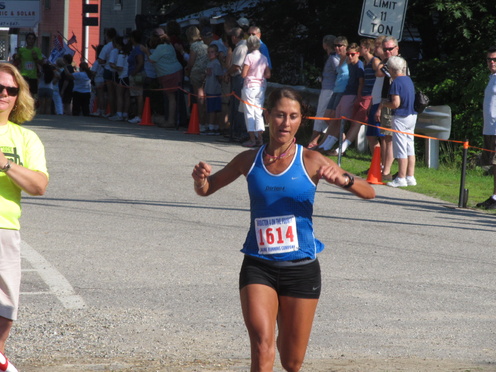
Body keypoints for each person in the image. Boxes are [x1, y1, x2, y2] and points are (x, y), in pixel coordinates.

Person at [191, 87, 375, 372]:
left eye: (292, 116)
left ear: (301, 120)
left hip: (301, 269)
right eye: (279, 115)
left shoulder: (311, 160)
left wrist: (345, 179)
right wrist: (200, 180)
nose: (285, 123)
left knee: (291, 361)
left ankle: (286, 347)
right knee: (262, 346)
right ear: (267, 116)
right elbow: (207, 189)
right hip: (258, 265)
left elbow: (369, 192)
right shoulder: (248, 160)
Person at [0, 62, 49, 372]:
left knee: (6, 307)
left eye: (11, 90)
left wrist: (5, 165)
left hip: (5, 230)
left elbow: (39, 185)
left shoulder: (26, 138)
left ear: (18, 97)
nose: (3, 94)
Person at [376, 56, 417, 187]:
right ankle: (410, 176)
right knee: (410, 146)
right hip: (412, 116)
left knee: (400, 147)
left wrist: (383, 104)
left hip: (401, 117)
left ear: (393, 70)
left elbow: (395, 103)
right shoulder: (408, 80)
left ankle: (401, 178)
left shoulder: (396, 83)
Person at [314, 36, 349, 152]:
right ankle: (333, 141)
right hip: (334, 90)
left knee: (328, 116)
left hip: (333, 90)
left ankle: (322, 142)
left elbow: (343, 74)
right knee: (328, 117)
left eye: (340, 46)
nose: (337, 48)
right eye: (336, 46)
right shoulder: (337, 58)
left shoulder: (336, 59)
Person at [375, 36, 401, 181]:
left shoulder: (398, 64)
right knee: (384, 136)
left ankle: (387, 170)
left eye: (390, 49)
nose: (387, 52)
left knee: (389, 138)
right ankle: (384, 168)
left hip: (393, 102)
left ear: (397, 48)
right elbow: (378, 72)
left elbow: (380, 72)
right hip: (386, 101)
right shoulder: (388, 63)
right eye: (385, 49)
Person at [307, 35, 338, 149]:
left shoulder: (333, 58)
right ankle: (320, 139)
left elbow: (339, 72)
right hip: (329, 88)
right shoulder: (334, 57)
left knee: (320, 114)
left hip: (329, 90)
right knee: (324, 116)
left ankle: (314, 139)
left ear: (325, 45)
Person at [240, 35, 270, 147]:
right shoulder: (264, 58)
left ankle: (252, 139)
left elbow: (244, 74)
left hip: (250, 87)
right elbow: (268, 74)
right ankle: (260, 139)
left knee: (249, 112)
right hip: (260, 87)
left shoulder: (249, 57)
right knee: (258, 112)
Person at [148, 33, 183, 127]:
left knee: (171, 98)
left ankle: (171, 121)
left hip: (168, 74)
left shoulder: (160, 48)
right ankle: (176, 119)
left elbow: (151, 59)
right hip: (177, 71)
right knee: (176, 98)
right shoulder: (169, 45)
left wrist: (145, 51)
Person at [476, 46, 496, 210]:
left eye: (495, 59)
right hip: (489, 128)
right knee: (493, 165)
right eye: (489, 59)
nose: (491, 62)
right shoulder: (492, 77)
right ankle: (495, 196)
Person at [226, 27, 248, 141]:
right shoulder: (243, 46)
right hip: (238, 77)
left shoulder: (241, 48)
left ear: (234, 37)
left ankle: (240, 132)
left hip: (239, 78)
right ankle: (236, 130)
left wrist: (227, 73)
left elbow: (236, 66)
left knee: (238, 106)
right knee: (236, 105)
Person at [185, 26, 208, 131]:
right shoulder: (205, 45)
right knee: (205, 98)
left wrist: (187, 69)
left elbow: (191, 62)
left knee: (199, 99)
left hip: (196, 73)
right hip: (206, 72)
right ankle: (206, 122)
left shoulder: (193, 46)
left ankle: (200, 122)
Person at [15, 33, 44, 97]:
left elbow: (41, 63)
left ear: (34, 40)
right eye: (29, 38)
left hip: (33, 77)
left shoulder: (37, 50)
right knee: (22, 95)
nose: (31, 40)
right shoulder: (21, 50)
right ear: (26, 40)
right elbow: (16, 61)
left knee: (32, 96)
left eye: (32, 39)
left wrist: (35, 58)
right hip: (23, 76)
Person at [204, 44, 224, 135]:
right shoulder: (209, 63)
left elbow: (219, 76)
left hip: (214, 89)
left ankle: (212, 127)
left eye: (212, 52)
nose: (210, 54)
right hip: (209, 88)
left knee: (213, 109)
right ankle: (213, 126)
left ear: (216, 53)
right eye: (208, 52)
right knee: (210, 108)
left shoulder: (216, 63)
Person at [127, 30, 146, 124]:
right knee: (135, 95)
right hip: (134, 73)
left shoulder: (138, 49)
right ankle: (136, 115)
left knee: (138, 95)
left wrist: (134, 72)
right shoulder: (136, 48)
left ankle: (139, 115)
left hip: (137, 75)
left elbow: (140, 62)